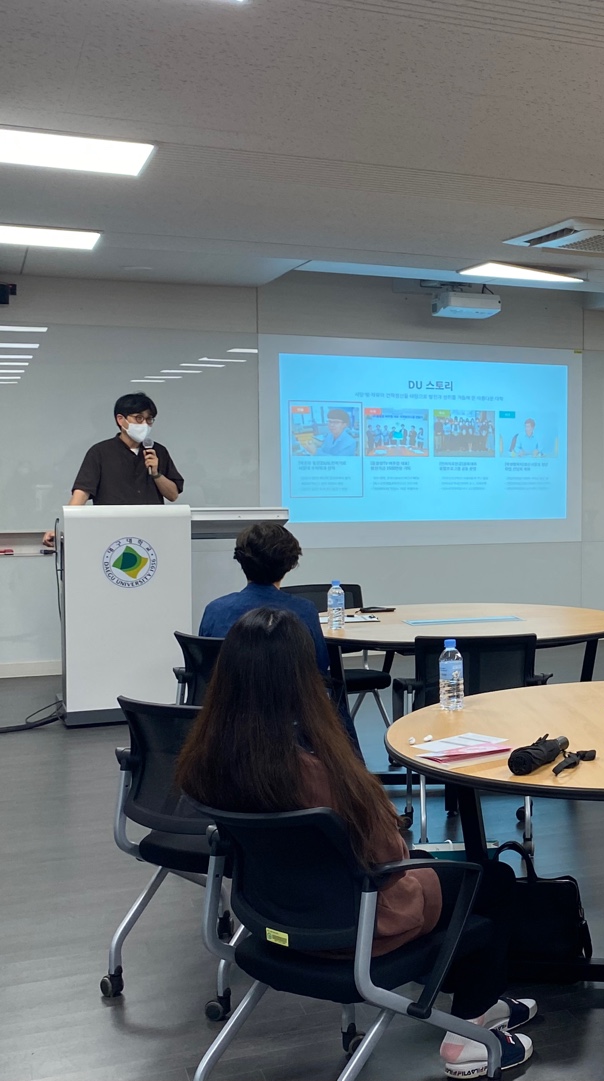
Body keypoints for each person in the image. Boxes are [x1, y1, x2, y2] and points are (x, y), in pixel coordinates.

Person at [174, 609, 537, 1075]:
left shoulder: (205, 761)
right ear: (301, 680)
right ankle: (469, 1032)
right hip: (355, 930)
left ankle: (481, 1007)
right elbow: (388, 857)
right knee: (492, 879)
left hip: (270, 919)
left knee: (441, 873)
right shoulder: (313, 772)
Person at [198, 521, 361, 750]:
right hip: (292, 722)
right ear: (290, 563)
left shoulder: (215, 610)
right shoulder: (303, 610)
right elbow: (318, 668)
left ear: (241, 560)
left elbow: (207, 668)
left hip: (228, 724)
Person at [42, 392, 185, 545]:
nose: (144, 424)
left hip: (152, 532)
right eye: (138, 418)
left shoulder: (158, 451)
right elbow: (81, 493)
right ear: (120, 419)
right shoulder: (100, 452)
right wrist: (62, 530)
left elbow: (173, 495)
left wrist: (156, 474)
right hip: (110, 534)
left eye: (149, 419)